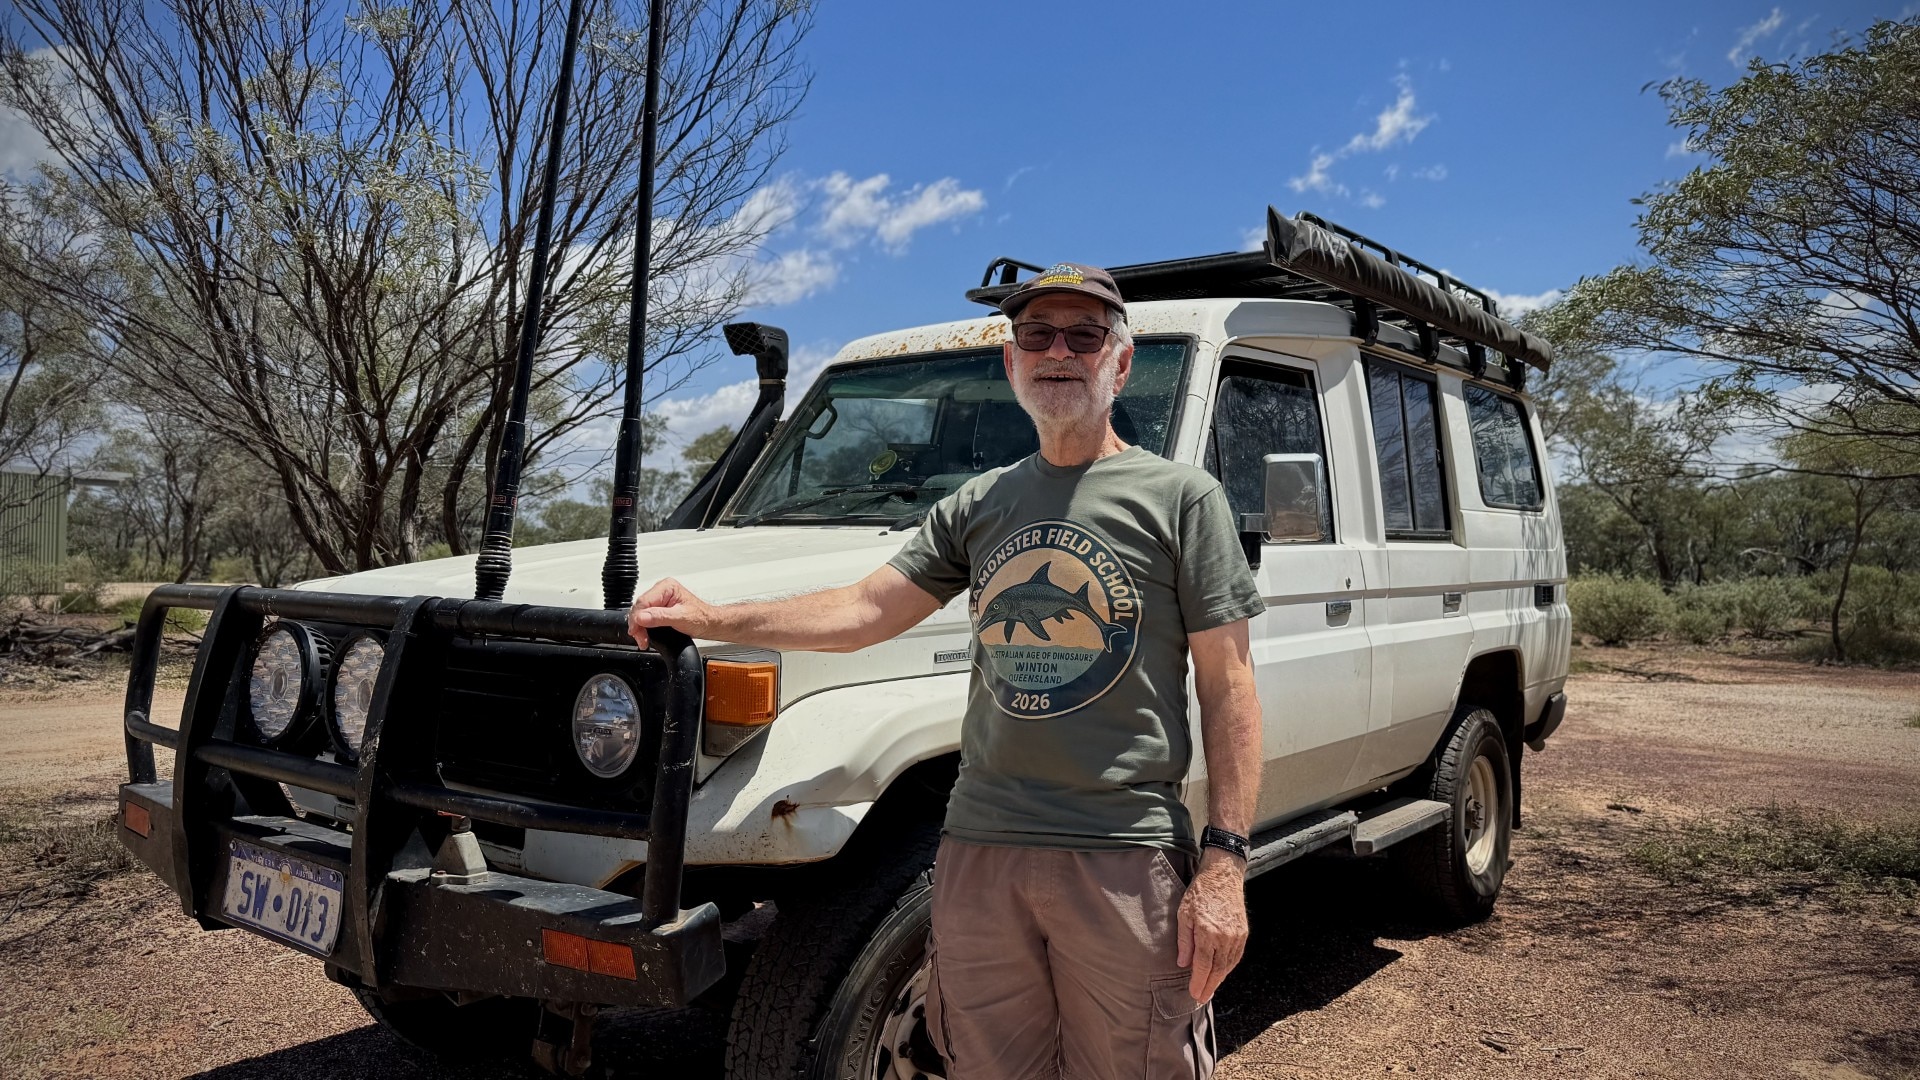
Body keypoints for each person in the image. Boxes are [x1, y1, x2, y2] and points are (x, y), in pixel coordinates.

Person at [628, 262, 1266, 1079]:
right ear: (1012, 363)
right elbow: (863, 612)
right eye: (1037, 334)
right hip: (977, 855)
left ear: (1121, 361)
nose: (1059, 350)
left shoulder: (1182, 498)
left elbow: (1230, 687)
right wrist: (711, 618)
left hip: (1121, 853)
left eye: (1085, 333)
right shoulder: (980, 503)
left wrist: (1223, 867)